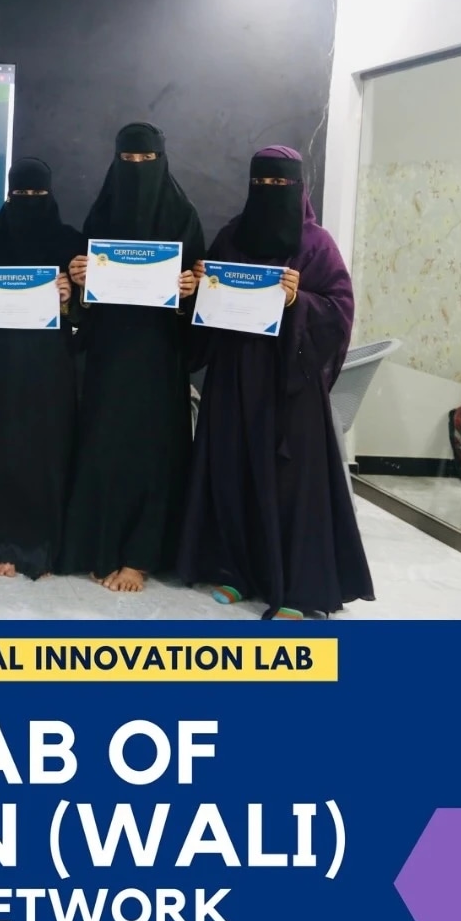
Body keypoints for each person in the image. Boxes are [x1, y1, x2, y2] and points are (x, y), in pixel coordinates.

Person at [177, 145, 375, 619]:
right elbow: (208, 307)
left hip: (289, 383)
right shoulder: (231, 236)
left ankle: (300, 588)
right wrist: (201, 283)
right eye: (260, 184)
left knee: (291, 485)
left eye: (278, 185)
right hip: (232, 376)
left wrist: (297, 301)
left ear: (298, 186)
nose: (269, 193)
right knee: (232, 470)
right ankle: (236, 572)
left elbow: (339, 307)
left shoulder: (316, 244)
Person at [59, 123, 204, 593]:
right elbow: (82, 303)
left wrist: (189, 290)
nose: (138, 170)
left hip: (160, 358)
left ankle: (141, 557)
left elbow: (201, 300)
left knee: (153, 454)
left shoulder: (184, 218)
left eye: (147, 162)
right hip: (107, 356)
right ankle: (102, 545)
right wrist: (79, 276)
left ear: (162, 161)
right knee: (104, 448)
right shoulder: (101, 217)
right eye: (129, 161)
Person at [0, 157, 81, 579]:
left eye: (37, 194)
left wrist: (71, 294)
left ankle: (42, 546)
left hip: (51, 364)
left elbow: (87, 312)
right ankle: (1, 541)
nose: (28, 202)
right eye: (20, 195)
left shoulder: (70, 241)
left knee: (46, 451)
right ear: (9, 196)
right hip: (1, 362)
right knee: (2, 449)